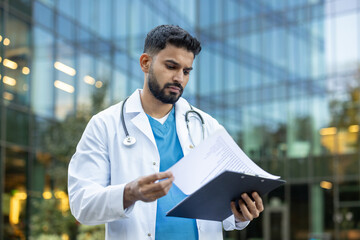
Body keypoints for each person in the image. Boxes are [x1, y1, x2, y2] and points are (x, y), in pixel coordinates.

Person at [68, 25, 264, 240]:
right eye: (171, 66)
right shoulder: (105, 125)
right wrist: (129, 193)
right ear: (145, 63)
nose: (179, 78)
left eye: (186, 71)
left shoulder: (206, 126)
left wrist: (241, 212)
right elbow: (82, 204)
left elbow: (227, 214)